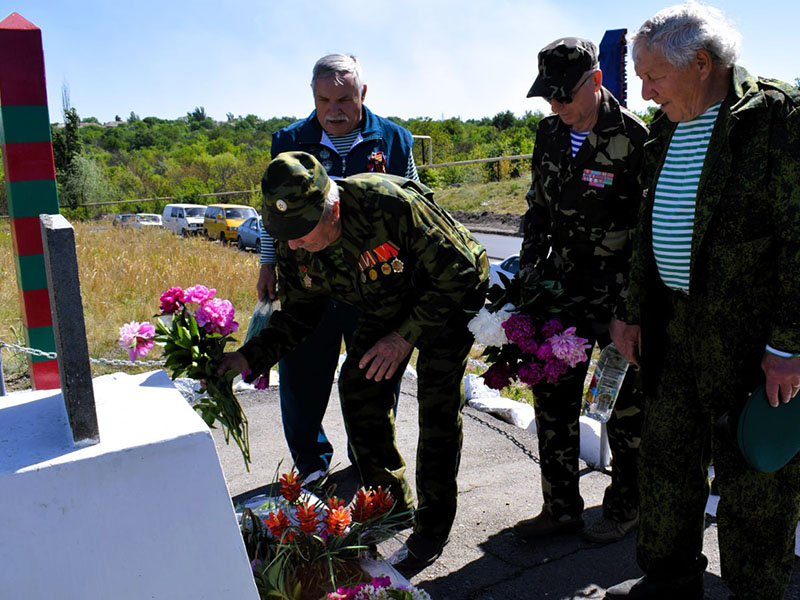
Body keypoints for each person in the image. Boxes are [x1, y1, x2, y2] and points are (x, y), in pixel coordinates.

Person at [605, 4, 800, 599]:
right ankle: (669, 579)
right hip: (672, 329)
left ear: (700, 62)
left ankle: (754, 591)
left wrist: (787, 346)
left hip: (751, 341)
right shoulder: (667, 127)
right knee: (665, 460)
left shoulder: (776, 118)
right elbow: (648, 225)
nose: (643, 91)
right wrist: (631, 308)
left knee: (755, 481)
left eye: (653, 75)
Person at [221, 151, 489, 572]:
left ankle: (432, 529)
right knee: (359, 384)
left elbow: (465, 270)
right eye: (286, 236)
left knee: (437, 407)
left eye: (302, 235)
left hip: (446, 300)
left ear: (333, 209)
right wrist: (246, 358)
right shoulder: (295, 235)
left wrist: (404, 338)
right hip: (386, 304)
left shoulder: (388, 203)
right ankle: (390, 506)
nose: (293, 245)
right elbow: (299, 314)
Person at [256, 54, 419, 483]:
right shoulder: (290, 140)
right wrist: (269, 263)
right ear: (313, 97)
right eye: (323, 100)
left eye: (344, 99)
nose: (334, 110)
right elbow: (276, 208)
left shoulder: (395, 141)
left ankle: (367, 458)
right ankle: (311, 464)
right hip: (310, 283)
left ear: (363, 94)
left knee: (374, 376)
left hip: (375, 285)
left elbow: (417, 206)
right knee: (302, 377)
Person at [513, 37, 648, 545]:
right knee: (553, 398)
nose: (556, 106)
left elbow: (648, 233)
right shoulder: (549, 134)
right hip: (560, 291)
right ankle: (560, 509)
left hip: (618, 297)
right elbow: (538, 211)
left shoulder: (635, 139)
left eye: (564, 95)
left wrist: (632, 310)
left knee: (625, 408)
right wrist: (527, 279)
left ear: (595, 80)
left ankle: (625, 508)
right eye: (548, 96)